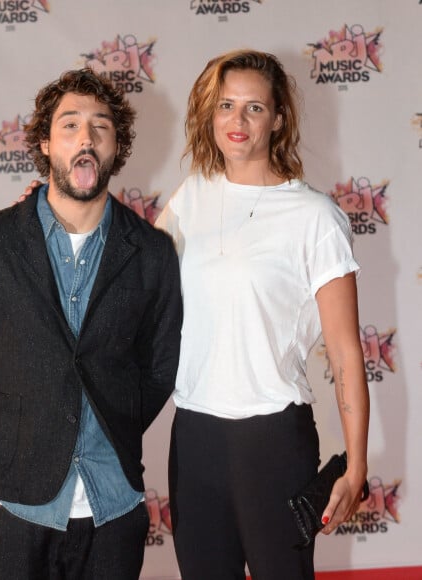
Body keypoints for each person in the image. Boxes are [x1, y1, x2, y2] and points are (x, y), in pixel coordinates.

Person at [0, 68, 182, 580]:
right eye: (69, 125)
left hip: (113, 503)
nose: (86, 138)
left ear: (118, 146)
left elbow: (160, 367)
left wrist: (115, 421)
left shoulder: (152, 251)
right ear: (45, 143)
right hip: (14, 505)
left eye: (101, 126)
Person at [155, 50, 370, 580]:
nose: (238, 119)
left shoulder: (315, 217)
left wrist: (357, 464)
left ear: (278, 119)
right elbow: (127, 274)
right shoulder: (191, 198)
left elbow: (345, 352)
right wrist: (47, 212)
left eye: (255, 107)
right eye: (226, 105)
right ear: (210, 113)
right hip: (195, 438)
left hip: (274, 443)